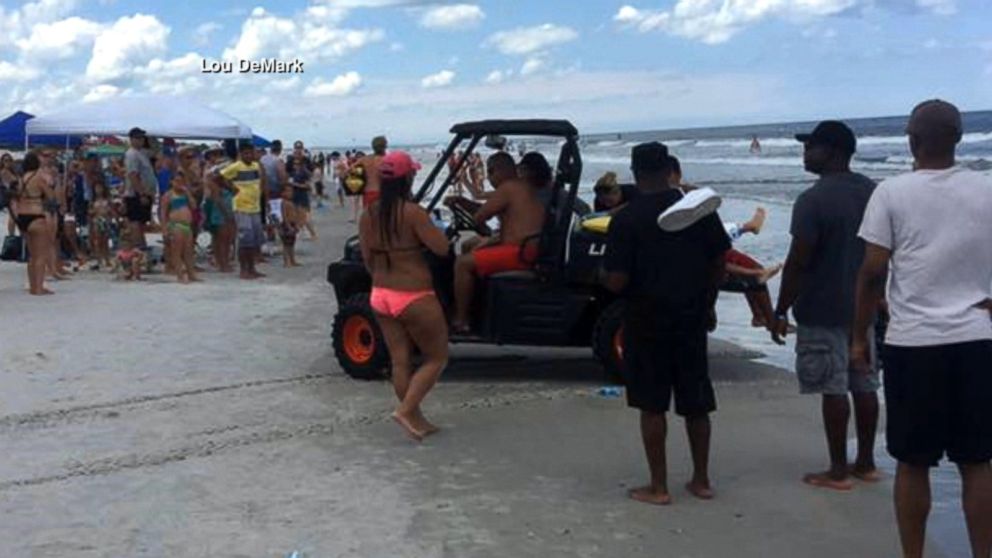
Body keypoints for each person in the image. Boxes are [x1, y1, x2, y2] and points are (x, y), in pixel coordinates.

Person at [852, 100, 992, 558]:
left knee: (913, 462)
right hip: (977, 338)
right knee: (977, 461)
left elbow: (873, 272)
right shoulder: (986, 189)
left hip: (915, 343)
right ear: (960, 137)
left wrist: (858, 337)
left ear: (912, 140)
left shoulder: (892, 192)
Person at [604, 142, 730, 505]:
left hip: (645, 319)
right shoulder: (699, 211)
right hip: (691, 315)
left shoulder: (626, 219)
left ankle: (659, 487)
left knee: (652, 404)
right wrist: (708, 302)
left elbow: (616, 281)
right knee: (696, 402)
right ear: (670, 169)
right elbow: (718, 262)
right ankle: (702, 480)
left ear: (635, 172)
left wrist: (600, 274)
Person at [770, 120, 880, 491]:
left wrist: (781, 309)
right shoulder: (872, 192)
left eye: (811, 147)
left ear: (832, 151)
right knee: (863, 383)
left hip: (822, 307)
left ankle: (836, 470)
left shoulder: (812, 200)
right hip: (864, 308)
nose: (805, 153)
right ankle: (865, 463)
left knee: (834, 388)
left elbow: (798, 260)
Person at [358, 151, 450, 441]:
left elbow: (366, 258)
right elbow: (442, 249)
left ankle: (416, 418)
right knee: (437, 357)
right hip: (413, 294)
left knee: (400, 360)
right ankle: (406, 410)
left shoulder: (368, 214)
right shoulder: (412, 212)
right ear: (407, 178)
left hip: (381, 293)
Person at [450, 152, 545, 333]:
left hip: (521, 252)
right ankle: (477, 306)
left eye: (490, 172)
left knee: (462, 264)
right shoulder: (521, 187)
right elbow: (487, 209)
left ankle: (461, 320)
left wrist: (465, 208)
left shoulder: (508, 188)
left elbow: (478, 217)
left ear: (499, 170)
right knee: (471, 245)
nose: (489, 177)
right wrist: (461, 201)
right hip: (527, 248)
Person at [218, 142, 267, 280]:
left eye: (251, 153)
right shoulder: (235, 166)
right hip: (241, 207)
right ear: (241, 154)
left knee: (254, 241)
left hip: (255, 207)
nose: (249, 156)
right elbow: (218, 177)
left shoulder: (256, 166)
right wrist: (231, 188)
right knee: (245, 240)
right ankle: (243, 270)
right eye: (246, 153)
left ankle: (252, 268)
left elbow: (261, 181)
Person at [12, 152, 57, 295]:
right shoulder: (38, 178)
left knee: (32, 256)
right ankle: (38, 288)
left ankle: (33, 286)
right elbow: (51, 196)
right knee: (41, 255)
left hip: (22, 217)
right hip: (36, 214)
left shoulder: (21, 179)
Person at [519, 151, 591, 216]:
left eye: (524, 170)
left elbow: (584, 209)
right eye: (521, 170)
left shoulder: (555, 193)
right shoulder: (522, 191)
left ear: (534, 172)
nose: (520, 174)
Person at [160, 170, 200, 283]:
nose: (179, 183)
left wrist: (188, 193)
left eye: (181, 181)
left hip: (187, 225)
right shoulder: (168, 195)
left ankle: (191, 274)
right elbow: (163, 213)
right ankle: (180, 275)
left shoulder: (185, 194)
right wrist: (164, 229)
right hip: (175, 225)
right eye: (177, 181)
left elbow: (194, 206)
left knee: (189, 251)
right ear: (172, 182)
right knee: (177, 251)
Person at [123, 128, 157, 249]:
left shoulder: (142, 152)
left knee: (142, 222)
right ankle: (138, 247)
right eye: (137, 138)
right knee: (136, 222)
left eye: (142, 138)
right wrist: (141, 193)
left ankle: (142, 246)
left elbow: (155, 151)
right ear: (131, 139)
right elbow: (133, 175)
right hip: (135, 194)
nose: (141, 140)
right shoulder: (131, 154)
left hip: (146, 192)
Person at [355, 136, 387, 210]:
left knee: (369, 218)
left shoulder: (364, 160)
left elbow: (349, 172)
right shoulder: (387, 160)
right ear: (384, 146)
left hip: (368, 192)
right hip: (383, 193)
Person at [88, 180, 114, 270]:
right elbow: (89, 211)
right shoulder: (93, 200)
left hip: (105, 219)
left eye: (100, 188)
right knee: (97, 240)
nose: (98, 190)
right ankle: (99, 259)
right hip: (97, 220)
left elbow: (111, 210)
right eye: (96, 188)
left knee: (105, 239)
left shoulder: (107, 200)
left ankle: (107, 258)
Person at [279, 186, 300, 267]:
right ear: (282, 193)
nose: (290, 193)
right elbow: (284, 216)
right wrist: (288, 226)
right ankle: (286, 261)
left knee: (292, 244)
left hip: (292, 223)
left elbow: (295, 214)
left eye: (291, 191)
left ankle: (292, 260)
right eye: (288, 191)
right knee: (286, 245)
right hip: (286, 225)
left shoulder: (291, 202)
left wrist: (297, 224)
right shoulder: (284, 203)